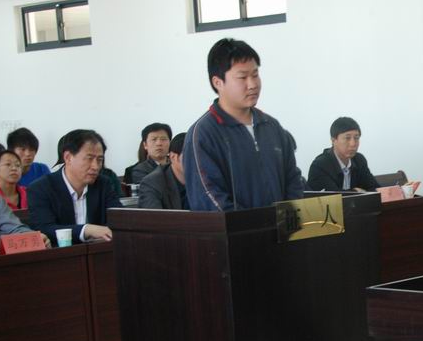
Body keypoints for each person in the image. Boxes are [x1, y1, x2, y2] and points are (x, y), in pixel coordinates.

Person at [183, 38, 305, 211]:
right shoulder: (203, 134)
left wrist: (287, 219)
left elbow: (293, 180)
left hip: (279, 227)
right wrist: (253, 224)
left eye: (255, 75)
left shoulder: (271, 126)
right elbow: (209, 200)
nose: (253, 84)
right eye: (242, 77)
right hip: (235, 229)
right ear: (218, 82)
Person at [28, 129, 120, 244]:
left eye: (99, 160)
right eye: (89, 158)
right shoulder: (41, 188)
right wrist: (87, 230)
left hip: (100, 251)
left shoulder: (103, 184)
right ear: (68, 157)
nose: (96, 166)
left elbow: (119, 219)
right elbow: (44, 228)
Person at [307, 117, 380, 192]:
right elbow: (333, 196)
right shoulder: (320, 165)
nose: (353, 144)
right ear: (333, 140)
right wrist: (355, 191)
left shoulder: (359, 160)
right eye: (347, 138)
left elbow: (375, 189)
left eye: (356, 138)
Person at [138, 133, 188, 210]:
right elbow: (154, 216)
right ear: (174, 157)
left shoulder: (204, 178)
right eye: (193, 156)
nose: (199, 161)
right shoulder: (152, 183)